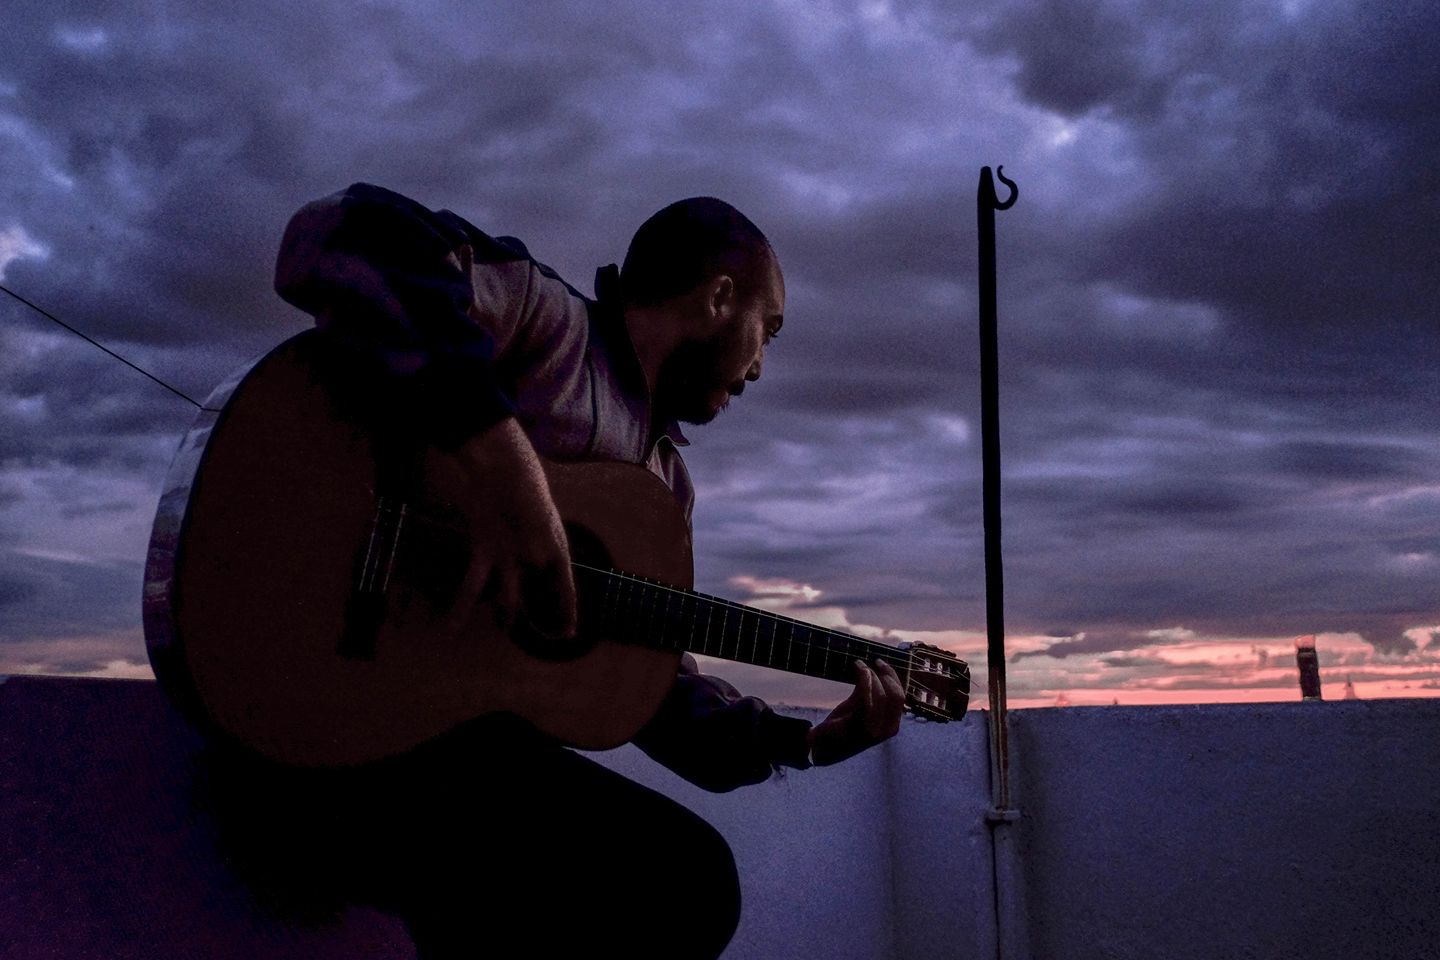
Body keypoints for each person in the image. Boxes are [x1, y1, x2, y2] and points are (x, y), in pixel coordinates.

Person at [201, 183, 906, 958]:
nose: (761, 367)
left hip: (457, 756)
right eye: (766, 330)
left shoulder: (663, 491)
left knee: (688, 881)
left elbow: (646, 693)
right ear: (719, 297)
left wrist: (798, 743)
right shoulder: (548, 326)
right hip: (317, 708)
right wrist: (508, 480)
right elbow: (345, 234)